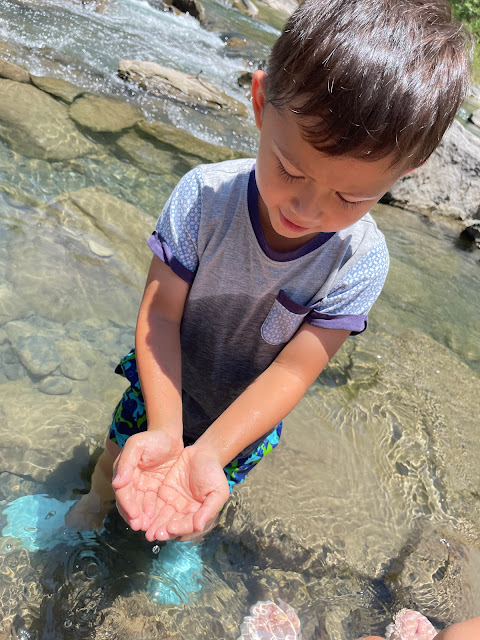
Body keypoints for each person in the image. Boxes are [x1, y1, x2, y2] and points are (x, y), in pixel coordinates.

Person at [66, 0, 471, 540]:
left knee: (201, 497)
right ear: (260, 103)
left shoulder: (361, 262)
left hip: (244, 420)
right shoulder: (204, 199)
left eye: (350, 197)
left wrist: (209, 451)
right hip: (163, 381)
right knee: (119, 458)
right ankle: (89, 511)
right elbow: (160, 317)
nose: (305, 209)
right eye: (288, 168)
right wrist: (165, 428)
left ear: (406, 172)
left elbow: (292, 372)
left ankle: (181, 547)